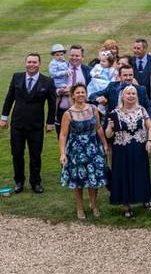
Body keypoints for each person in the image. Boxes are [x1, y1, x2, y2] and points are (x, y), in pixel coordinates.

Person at [0, 53, 56, 193]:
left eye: (34, 62)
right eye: (29, 62)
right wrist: (4, 117)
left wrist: (50, 122)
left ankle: (35, 182)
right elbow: (9, 98)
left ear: (39, 64)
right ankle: (18, 182)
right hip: (17, 124)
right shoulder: (17, 77)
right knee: (17, 153)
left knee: (35, 155)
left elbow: (52, 103)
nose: (31, 65)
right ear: (26, 63)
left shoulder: (47, 81)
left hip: (36, 125)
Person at [58, 84, 107, 218]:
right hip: (76, 150)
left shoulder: (93, 109)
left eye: (83, 92)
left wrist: (104, 144)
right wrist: (62, 153)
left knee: (93, 179)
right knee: (78, 180)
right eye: (78, 92)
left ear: (86, 94)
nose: (80, 95)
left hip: (93, 147)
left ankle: (94, 205)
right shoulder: (68, 114)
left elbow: (98, 128)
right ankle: (80, 208)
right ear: (73, 95)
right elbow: (63, 135)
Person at [105, 85, 151, 217]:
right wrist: (110, 127)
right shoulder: (115, 113)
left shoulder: (142, 110)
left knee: (141, 173)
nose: (131, 96)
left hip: (139, 147)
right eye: (128, 94)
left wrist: (149, 141)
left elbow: (150, 127)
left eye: (133, 94)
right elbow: (108, 135)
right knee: (124, 175)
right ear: (123, 96)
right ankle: (126, 204)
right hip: (122, 149)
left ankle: (145, 199)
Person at [54, 45, 92, 136]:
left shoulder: (88, 71)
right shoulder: (60, 69)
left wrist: (74, 92)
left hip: (82, 111)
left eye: (77, 56)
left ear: (82, 57)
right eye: (72, 55)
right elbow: (52, 86)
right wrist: (60, 91)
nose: (74, 58)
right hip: (63, 110)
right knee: (63, 138)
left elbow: (92, 90)